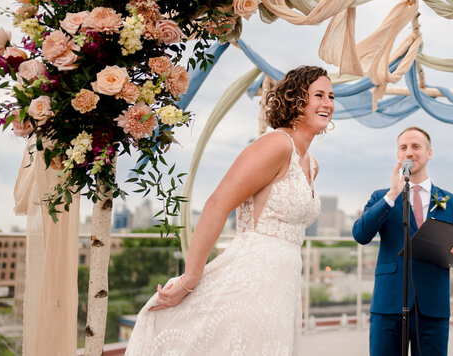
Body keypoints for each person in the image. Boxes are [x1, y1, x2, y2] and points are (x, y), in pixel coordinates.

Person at [126, 65, 334, 355]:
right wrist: (189, 280)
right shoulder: (276, 144)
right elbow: (217, 204)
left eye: (331, 96)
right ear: (296, 99)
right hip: (251, 278)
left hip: (284, 286)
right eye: (319, 95)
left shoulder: (312, 164)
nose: (328, 104)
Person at [353, 127, 453, 356]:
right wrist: (392, 194)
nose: (409, 152)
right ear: (397, 155)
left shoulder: (451, 202)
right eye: (403, 148)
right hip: (389, 302)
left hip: (432, 306)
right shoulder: (381, 197)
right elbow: (361, 234)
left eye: (416, 147)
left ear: (429, 153)